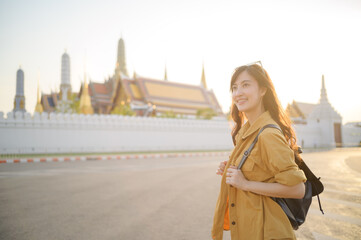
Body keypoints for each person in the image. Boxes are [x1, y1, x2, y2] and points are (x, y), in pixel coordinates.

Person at [211, 62, 306, 240]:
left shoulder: (268, 134)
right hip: (249, 229)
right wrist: (232, 171)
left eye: (245, 85)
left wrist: (244, 184)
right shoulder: (246, 133)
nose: (237, 93)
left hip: (267, 232)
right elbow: (259, 172)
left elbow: (297, 189)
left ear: (263, 90)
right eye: (234, 87)